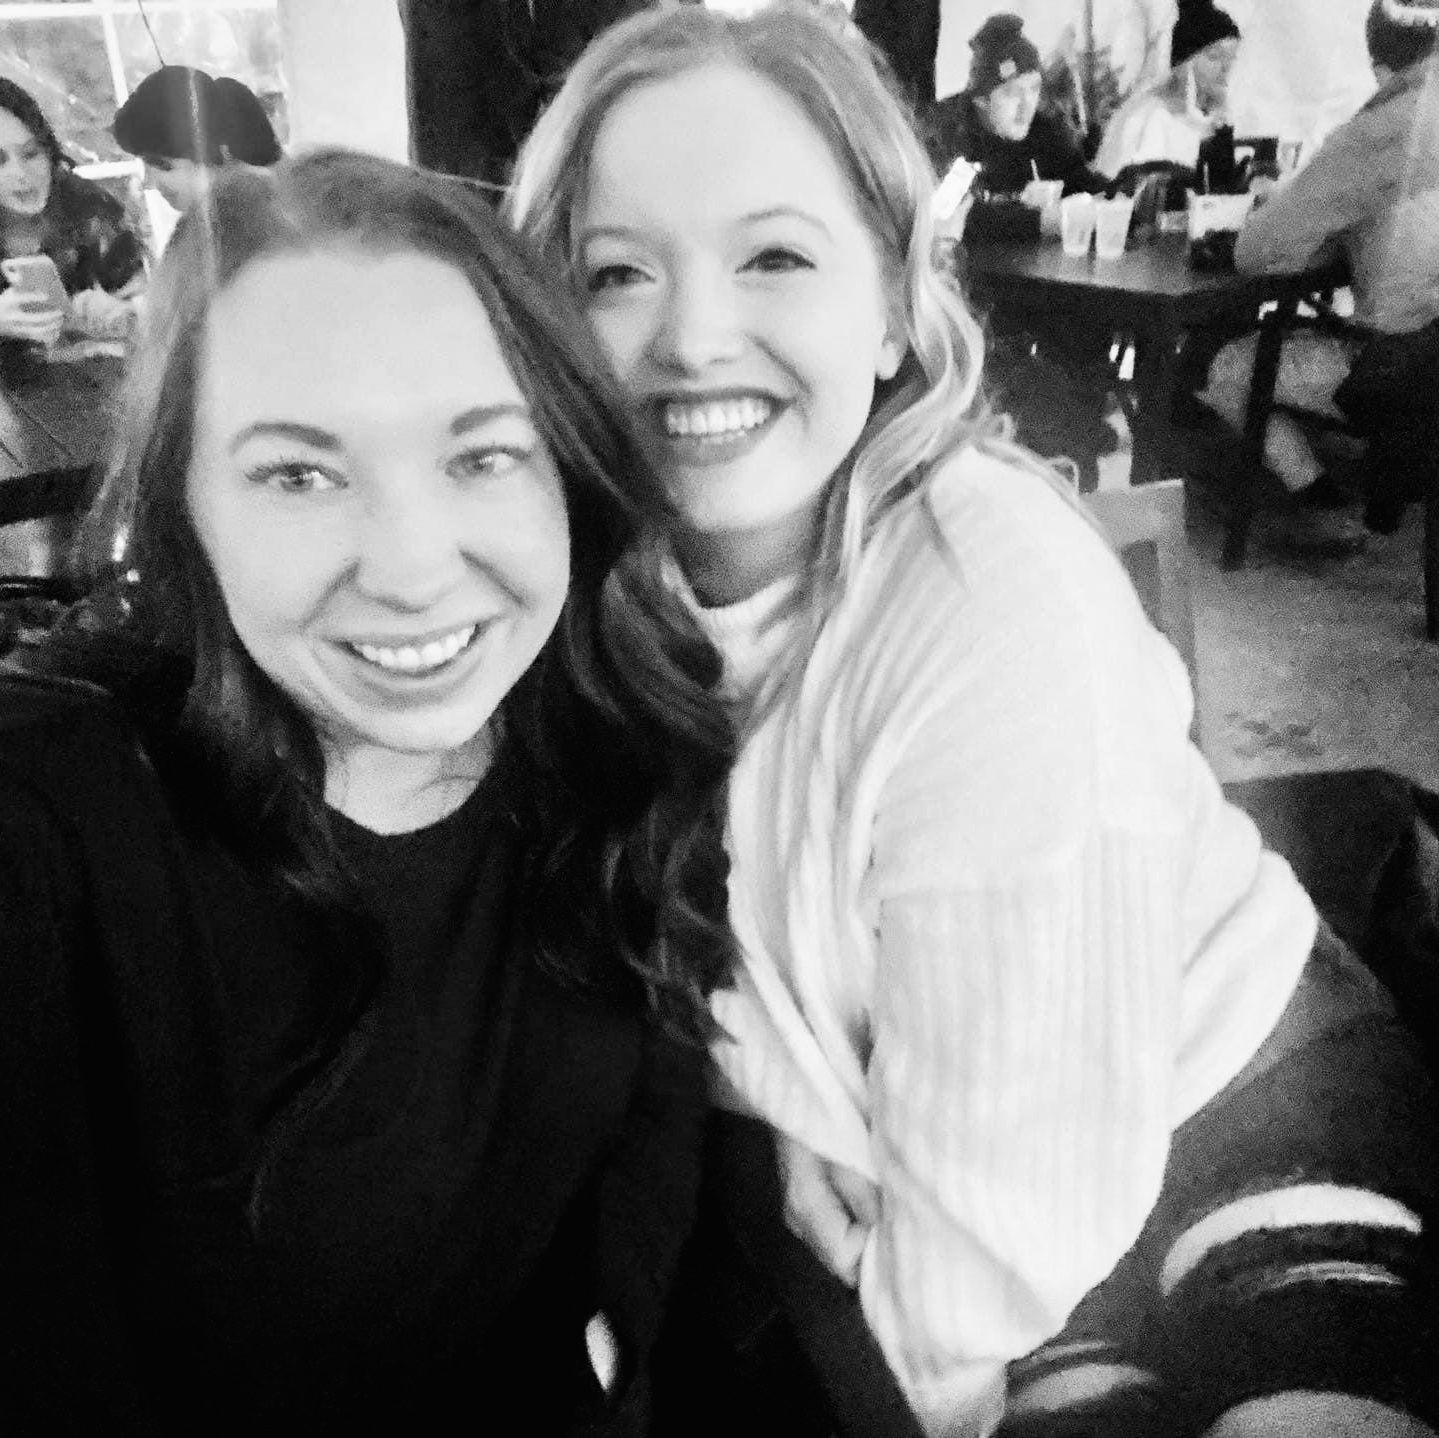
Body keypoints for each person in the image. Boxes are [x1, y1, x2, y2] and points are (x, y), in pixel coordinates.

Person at [509, 5, 1439, 1436]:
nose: (690, 337)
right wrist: (761, 1099)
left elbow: (990, 1256)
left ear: (892, 302)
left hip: (1224, 1096)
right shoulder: (549, 599)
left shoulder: (982, 589)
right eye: (615, 271)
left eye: (773, 256)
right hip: (957, 1177)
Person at [0, 148, 736, 1433]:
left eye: (482, 456)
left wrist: (610, 1350)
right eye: (298, 474)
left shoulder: (619, 735)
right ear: (183, 509)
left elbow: (652, 1094)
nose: (409, 568)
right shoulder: (48, 825)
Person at [1227, 0, 1439, 531]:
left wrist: (1279, 205)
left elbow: (1257, 252)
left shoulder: (1382, 129)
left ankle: (1318, 498)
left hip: (1407, 371)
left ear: (1379, 68)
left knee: (1223, 364)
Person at [925, 13, 1107, 243]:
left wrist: (1125, 194)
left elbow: (1085, 184)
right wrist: (1043, 221)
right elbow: (944, 214)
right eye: (1011, 93)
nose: (1026, 106)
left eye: (1033, 89)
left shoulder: (1043, 131)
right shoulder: (948, 132)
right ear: (980, 99)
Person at [0, 77, 144, 354]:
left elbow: (158, 318)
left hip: (102, 372)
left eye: (30, 153)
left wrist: (123, 312)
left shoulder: (91, 208)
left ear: (48, 150)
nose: (20, 174)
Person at [1094, 0, 1242, 182]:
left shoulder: (1218, 118)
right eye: (1214, 57)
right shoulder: (1153, 117)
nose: (1226, 67)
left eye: (1231, 58)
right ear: (1185, 63)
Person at [113, 65, 281, 218]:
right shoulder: (219, 222)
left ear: (219, 150)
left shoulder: (268, 223)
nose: (148, 183)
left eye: (161, 164)